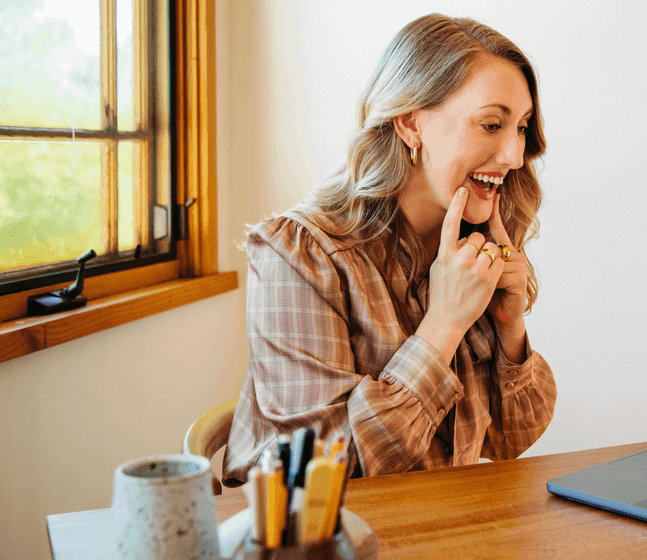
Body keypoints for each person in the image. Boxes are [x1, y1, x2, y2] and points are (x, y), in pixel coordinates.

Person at [222, 14, 556, 483]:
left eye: (520, 128)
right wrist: (442, 326)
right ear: (409, 123)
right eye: (491, 125)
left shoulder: (469, 246)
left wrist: (509, 324)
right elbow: (321, 471)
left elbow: (509, 441)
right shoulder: (298, 257)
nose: (514, 156)